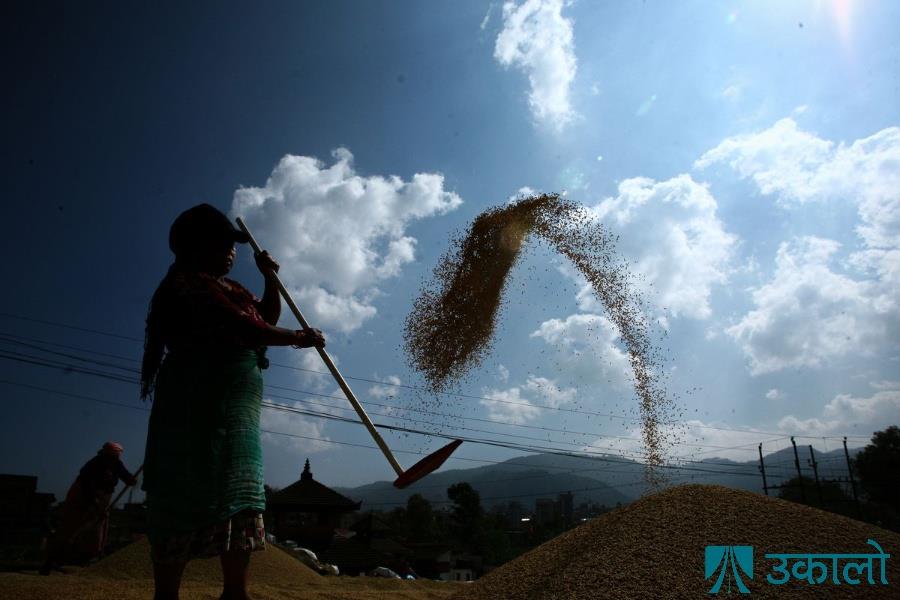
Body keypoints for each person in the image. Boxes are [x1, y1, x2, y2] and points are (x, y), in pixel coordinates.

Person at [140, 203, 325, 600]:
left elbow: (261, 316)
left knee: (238, 494)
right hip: (194, 407)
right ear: (193, 246)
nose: (231, 251)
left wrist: (269, 279)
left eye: (233, 245)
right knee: (184, 487)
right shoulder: (187, 285)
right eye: (222, 242)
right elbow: (243, 326)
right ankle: (167, 593)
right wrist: (297, 338)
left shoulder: (231, 288)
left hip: (238, 416)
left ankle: (235, 593)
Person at [41, 441, 138, 574]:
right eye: (112, 455)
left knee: (96, 530)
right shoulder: (93, 465)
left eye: (116, 456)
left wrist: (131, 480)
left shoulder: (116, 464)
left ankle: (87, 561)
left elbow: (125, 476)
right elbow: (88, 489)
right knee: (69, 529)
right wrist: (97, 506)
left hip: (103, 499)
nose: (114, 458)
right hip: (82, 499)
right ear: (105, 453)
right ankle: (51, 562)